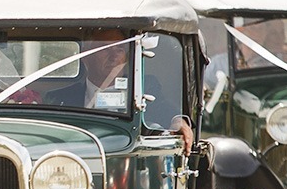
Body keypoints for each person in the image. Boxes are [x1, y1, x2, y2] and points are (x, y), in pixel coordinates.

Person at [47, 30, 193, 154]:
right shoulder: (60, 97)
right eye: (105, 49)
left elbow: (165, 111)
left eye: (120, 49)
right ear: (85, 56)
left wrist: (179, 122)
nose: (114, 56)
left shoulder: (144, 87)